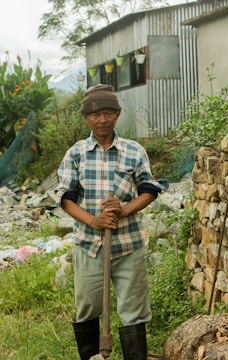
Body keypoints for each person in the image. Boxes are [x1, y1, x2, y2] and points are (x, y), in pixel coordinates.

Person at [55, 84, 166, 360]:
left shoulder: (134, 151)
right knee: (88, 307)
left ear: (117, 114)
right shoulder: (77, 153)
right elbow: (66, 198)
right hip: (89, 245)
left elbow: (149, 190)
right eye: (95, 115)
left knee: (133, 310)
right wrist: (94, 221)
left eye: (108, 113)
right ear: (86, 118)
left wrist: (124, 210)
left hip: (128, 244)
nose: (101, 120)